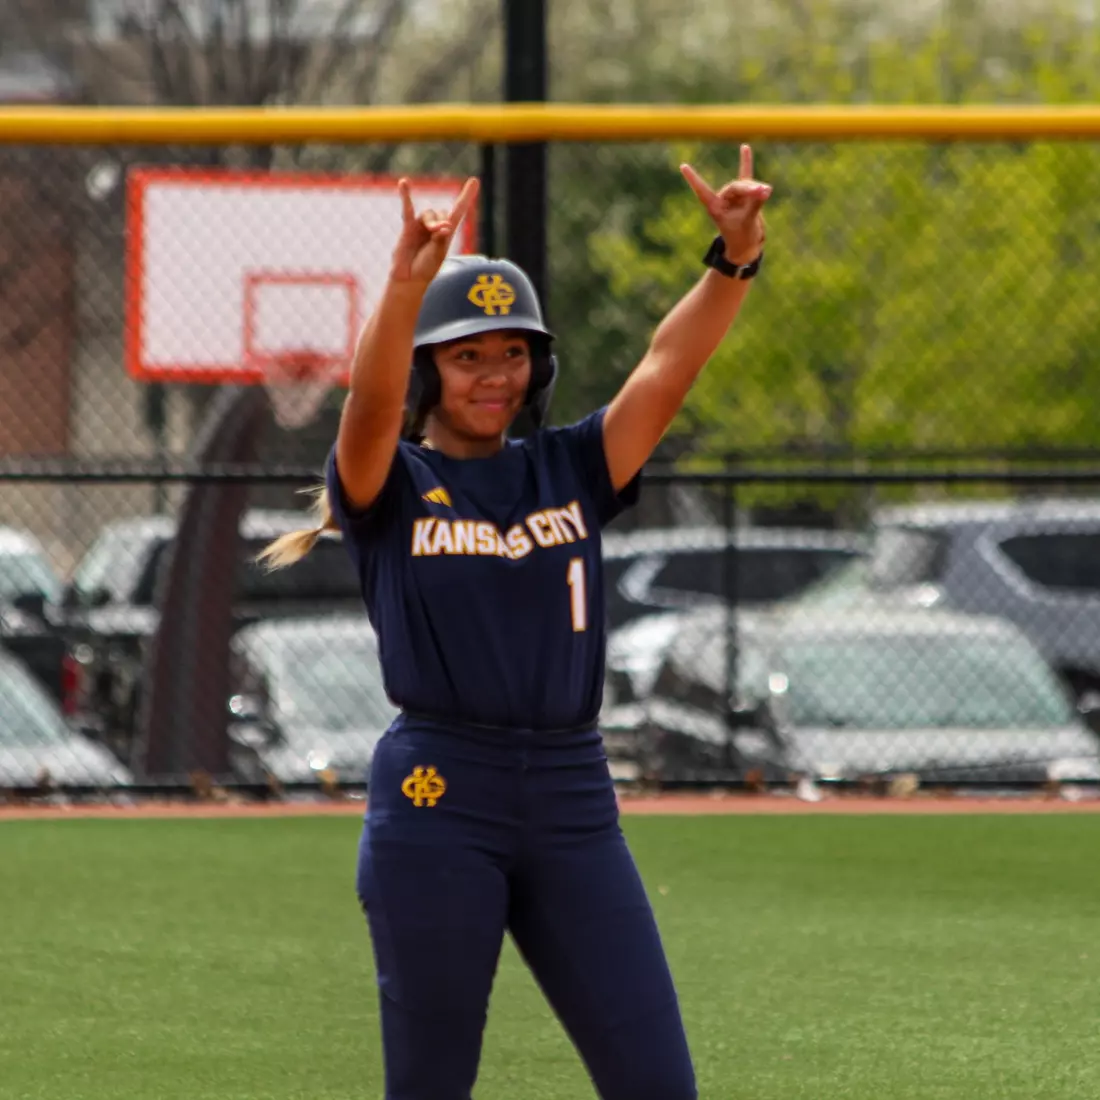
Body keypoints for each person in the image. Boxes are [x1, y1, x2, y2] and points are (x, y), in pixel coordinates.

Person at [259, 145, 770, 1100]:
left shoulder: (570, 465)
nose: (493, 373)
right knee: (431, 1085)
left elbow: (669, 365)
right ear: (427, 371)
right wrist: (404, 292)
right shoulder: (392, 483)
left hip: (575, 795)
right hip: (437, 794)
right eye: (467, 356)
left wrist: (732, 255)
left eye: (511, 353)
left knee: (660, 1084)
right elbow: (367, 410)